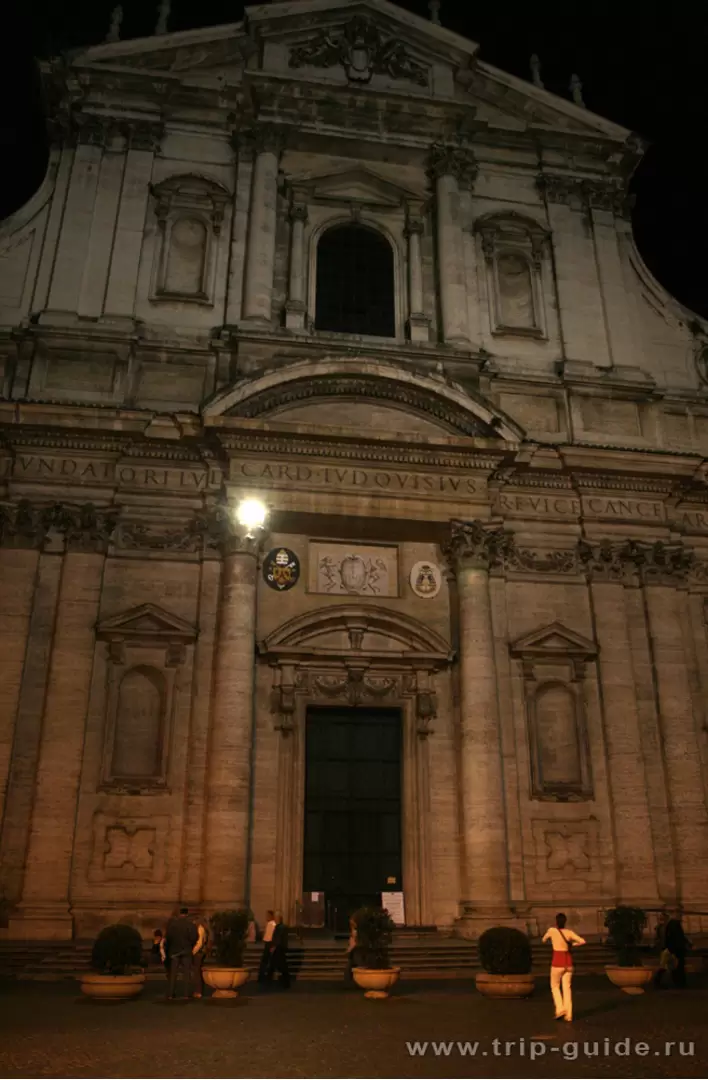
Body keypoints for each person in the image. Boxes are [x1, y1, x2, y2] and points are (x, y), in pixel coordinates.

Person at [542, 913, 586, 1022]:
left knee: (555, 986)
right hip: (569, 962)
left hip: (557, 962)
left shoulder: (552, 931)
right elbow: (582, 941)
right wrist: (572, 945)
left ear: (556, 921)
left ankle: (560, 1008)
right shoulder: (569, 932)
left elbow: (543, 939)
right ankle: (569, 1014)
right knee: (567, 988)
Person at [164, 906, 198, 1000]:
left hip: (174, 951)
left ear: (179, 914)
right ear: (187, 914)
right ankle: (186, 994)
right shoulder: (190, 924)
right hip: (186, 950)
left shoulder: (172, 924)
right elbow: (194, 937)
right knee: (186, 973)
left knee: (173, 973)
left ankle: (171, 994)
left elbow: (168, 937)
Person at [664, 910, 690, 988]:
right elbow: (678, 937)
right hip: (678, 949)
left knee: (676, 967)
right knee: (678, 967)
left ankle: (678, 982)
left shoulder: (671, 925)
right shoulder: (674, 924)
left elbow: (670, 938)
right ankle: (680, 983)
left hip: (675, 949)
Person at [270, 910, 291, 990]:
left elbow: (278, 938)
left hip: (279, 948)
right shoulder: (281, 927)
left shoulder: (280, 927)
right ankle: (283, 981)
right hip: (281, 947)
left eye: (275, 917)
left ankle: (284, 982)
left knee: (281, 965)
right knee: (280, 965)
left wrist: (274, 946)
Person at [191, 914, 210, 999]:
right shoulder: (201, 928)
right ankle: (199, 990)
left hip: (198, 953)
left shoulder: (200, 929)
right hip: (200, 952)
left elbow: (199, 943)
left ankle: (198, 991)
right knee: (197, 972)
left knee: (197, 972)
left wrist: (193, 952)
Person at [258, 910, 276, 984]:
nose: (266, 917)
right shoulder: (269, 924)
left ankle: (266, 977)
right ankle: (263, 976)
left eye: (268, 915)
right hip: (267, 943)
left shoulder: (273, 924)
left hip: (270, 944)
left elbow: (273, 935)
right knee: (265, 961)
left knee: (268, 961)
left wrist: (273, 945)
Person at [345, 917, 359, 982]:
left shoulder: (355, 931)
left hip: (355, 950)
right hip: (354, 950)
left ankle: (350, 980)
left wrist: (349, 949)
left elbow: (354, 941)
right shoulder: (354, 930)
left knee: (352, 965)